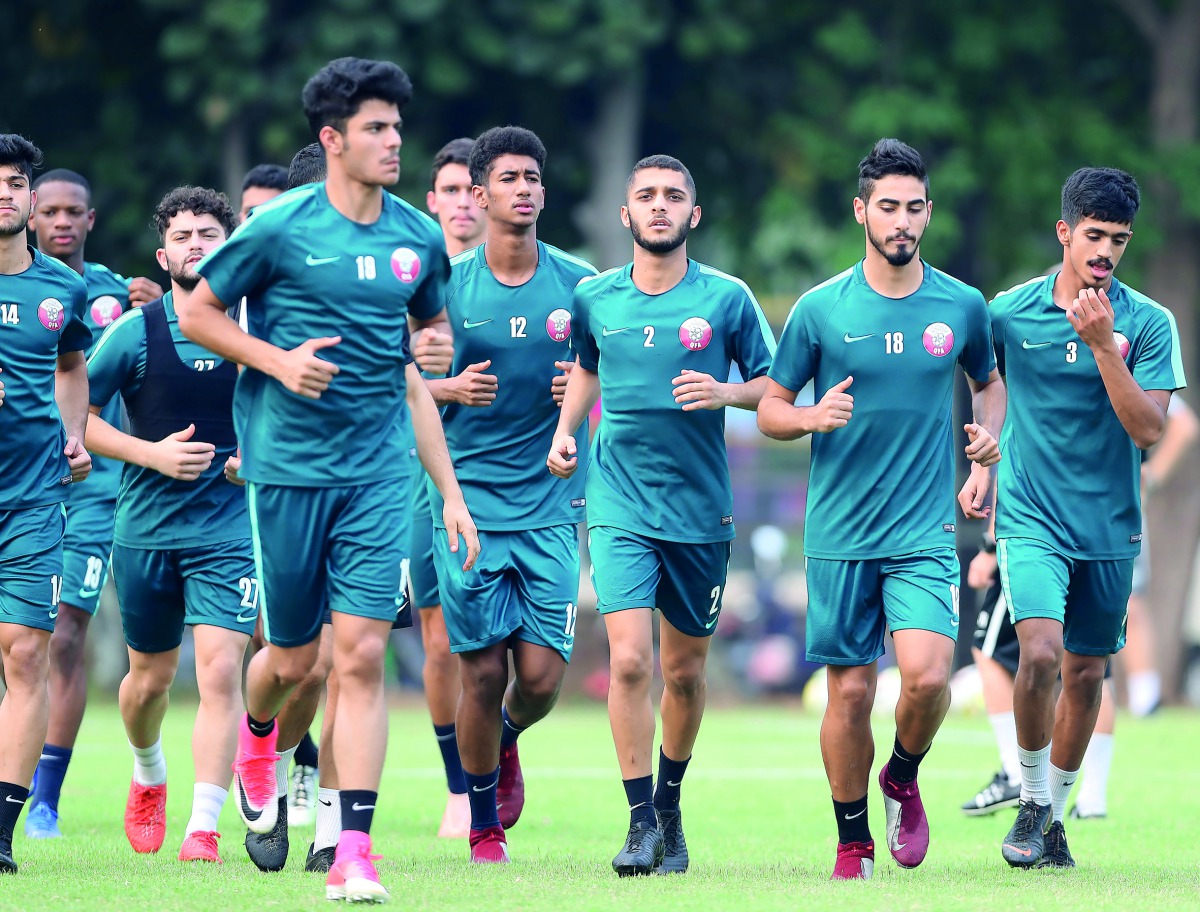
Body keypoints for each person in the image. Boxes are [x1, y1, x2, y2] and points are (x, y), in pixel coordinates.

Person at [178, 57, 479, 904]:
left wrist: (449, 487)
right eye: (376, 129)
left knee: (362, 654)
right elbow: (198, 311)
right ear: (332, 139)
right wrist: (276, 361)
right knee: (293, 658)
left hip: (377, 475)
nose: (392, 142)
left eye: (396, 126)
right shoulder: (279, 230)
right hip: (286, 472)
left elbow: (427, 349)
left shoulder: (416, 237)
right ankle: (259, 735)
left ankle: (354, 850)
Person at [758, 138, 1005, 881]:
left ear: (929, 213)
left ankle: (901, 775)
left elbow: (989, 383)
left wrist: (983, 449)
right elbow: (771, 407)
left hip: (925, 526)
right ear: (861, 210)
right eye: (888, 207)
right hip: (838, 531)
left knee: (928, 677)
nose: (902, 221)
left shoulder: (961, 304)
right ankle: (852, 840)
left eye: (914, 209)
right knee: (853, 689)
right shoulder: (820, 309)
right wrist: (807, 418)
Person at [548, 154, 776, 876]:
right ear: (625, 214)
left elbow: (772, 383)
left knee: (683, 672)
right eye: (645, 195)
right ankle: (640, 820)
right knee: (631, 660)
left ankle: (671, 806)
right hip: (618, 502)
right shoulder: (595, 298)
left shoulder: (728, 299)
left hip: (700, 511)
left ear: (693, 215)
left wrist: (726, 393)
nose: (658, 206)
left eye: (673, 196)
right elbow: (585, 366)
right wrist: (564, 431)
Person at [993, 167, 1185, 869]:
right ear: (1065, 232)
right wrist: (982, 463)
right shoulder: (1009, 312)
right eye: (1095, 235)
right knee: (1039, 652)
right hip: (1030, 518)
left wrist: (1105, 346)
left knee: (1084, 674)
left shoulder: (1147, 323)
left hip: (1109, 525)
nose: (1105, 251)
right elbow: (978, 386)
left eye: (1120, 239)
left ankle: (1054, 817)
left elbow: (1149, 431)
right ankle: (1035, 802)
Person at [434, 126, 595, 864]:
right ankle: (481, 826)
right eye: (508, 178)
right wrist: (447, 387)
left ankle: (505, 740)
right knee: (482, 669)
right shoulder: (445, 288)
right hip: (470, 506)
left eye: (533, 177)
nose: (524, 188)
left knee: (538, 679)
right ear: (478, 193)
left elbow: (615, 379)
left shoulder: (579, 285)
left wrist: (583, 395)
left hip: (550, 506)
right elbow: (399, 389)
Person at [83, 186, 253, 863]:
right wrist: (149, 453)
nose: (195, 246)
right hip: (145, 532)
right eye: (182, 236)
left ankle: (203, 827)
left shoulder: (254, 330)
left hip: (229, 529)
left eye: (208, 235)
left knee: (219, 673)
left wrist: (257, 458)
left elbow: (292, 412)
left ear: (230, 248)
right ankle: (148, 769)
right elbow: (83, 418)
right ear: (164, 252)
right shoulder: (134, 333)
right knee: (148, 681)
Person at [963, 394, 1198, 820]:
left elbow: (1168, 423)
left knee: (1084, 664)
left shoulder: (1128, 341)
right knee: (1068, 658)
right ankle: (1075, 795)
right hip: (1055, 526)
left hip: (1098, 522)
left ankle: (1032, 782)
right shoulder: (1023, 333)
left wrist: (989, 544)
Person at [24, 168, 162, 839]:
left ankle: (44, 797)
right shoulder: (15, 286)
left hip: (94, 491)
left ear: (91, 219)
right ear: (29, 216)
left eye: (72, 211)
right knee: (20, 642)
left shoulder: (114, 296)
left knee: (66, 636)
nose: (60, 223)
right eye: (47, 211)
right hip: (19, 485)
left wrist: (160, 305)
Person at [0, 133, 93, 874]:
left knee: (27, 651)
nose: (4, 192)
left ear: (30, 201)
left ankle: (2, 832)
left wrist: (72, 436)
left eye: (13, 182)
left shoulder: (61, 290)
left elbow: (71, 367)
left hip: (33, 497)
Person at [404, 136, 487, 841]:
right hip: (419, 480)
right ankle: (459, 789)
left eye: (472, 189)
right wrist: (443, 386)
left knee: (507, 652)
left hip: (508, 483)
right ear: (433, 202)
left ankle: (496, 747)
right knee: (438, 640)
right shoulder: (411, 277)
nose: (463, 203)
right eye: (451, 191)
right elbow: (380, 380)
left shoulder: (530, 276)